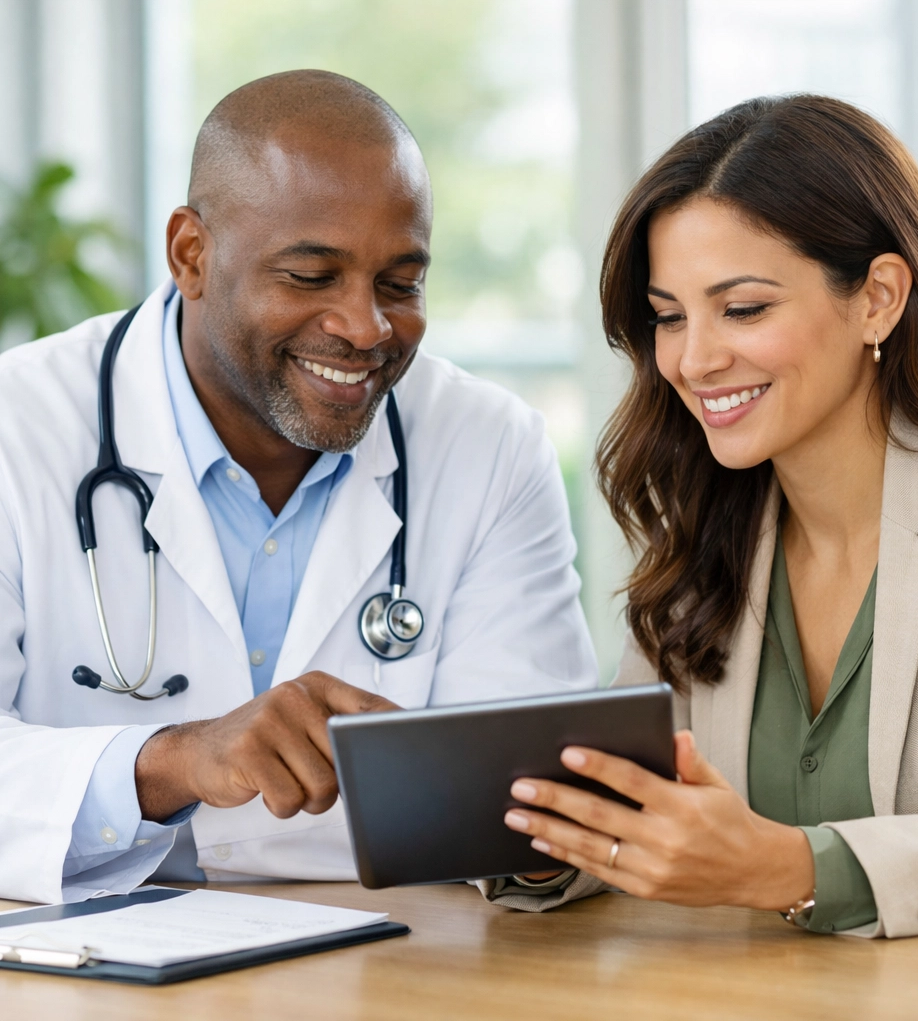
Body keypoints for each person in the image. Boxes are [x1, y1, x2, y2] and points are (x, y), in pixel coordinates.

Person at [0, 70, 597, 905]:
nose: (365, 328)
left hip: (395, 947)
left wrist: (546, 836)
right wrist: (176, 761)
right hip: (79, 949)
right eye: (311, 276)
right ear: (192, 254)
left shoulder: (491, 446)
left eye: (400, 284)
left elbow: (536, 805)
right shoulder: (17, 425)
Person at [500, 94, 918, 937]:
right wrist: (540, 835)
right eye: (669, 317)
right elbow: (642, 807)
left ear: (878, 298)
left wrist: (790, 868)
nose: (694, 359)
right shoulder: (709, 525)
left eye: (742, 309)